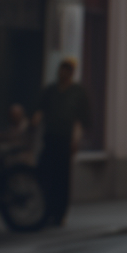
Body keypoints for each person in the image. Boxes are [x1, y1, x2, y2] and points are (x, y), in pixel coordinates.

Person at [34, 58, 92, 226]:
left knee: (62, 178)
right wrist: (35, 120)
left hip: (65, 140)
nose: (63, 73)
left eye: (67, 70)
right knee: (45, 175)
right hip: (49, 137)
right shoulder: (51, 90)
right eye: (61, 69)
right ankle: (45, 212)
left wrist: (76, 140)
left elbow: (82, 120)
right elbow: (39, 109)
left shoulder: (78, 92)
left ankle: (59, 214)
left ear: (72, 73)